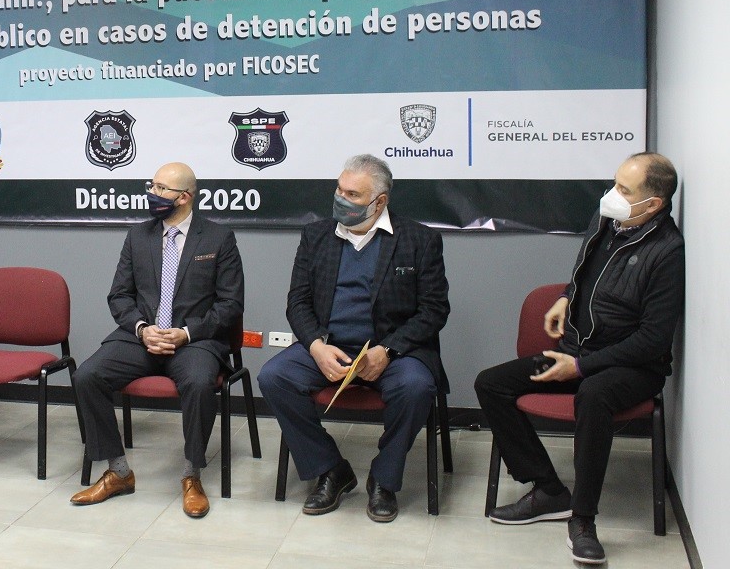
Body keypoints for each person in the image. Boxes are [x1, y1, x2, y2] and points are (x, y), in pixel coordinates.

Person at [475, 152, 683, 566]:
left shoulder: (667, 251)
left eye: (624, 190)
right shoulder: (609, 218)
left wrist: (581, 367)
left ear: (654, 204)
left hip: (631, 368)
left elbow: (653, 340)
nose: (612, 195)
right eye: (615, 183)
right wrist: (565, 297)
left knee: (593, 393)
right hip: (576, 350)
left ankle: (583, 520)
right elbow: (584, 268)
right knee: (491, 383)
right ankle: (549, 490)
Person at [258, 154, 450, 523]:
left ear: (380, 201)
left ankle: (384, 478)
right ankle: (331, 469)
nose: (341, 199)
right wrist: (316, 347)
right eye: (339, 189)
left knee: (416, 388)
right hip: (329, 346)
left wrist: (387, 351)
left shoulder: (419, 240)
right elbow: (298, 301)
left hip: (392, 351)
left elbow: (434, 310)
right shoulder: (316, 236)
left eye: (353, 194)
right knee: (274, 377)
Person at [70, 162, 245, 518]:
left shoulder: (218, 238)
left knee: (199, 383)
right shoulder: (138, 236)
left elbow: (230, 304)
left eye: (162, 188)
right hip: (142, 337)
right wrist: (142, 329)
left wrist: (186, 333)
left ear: (185, 197)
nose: (153, 193)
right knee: (87, 375)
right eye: (153, 185)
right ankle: (119, 472)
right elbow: (119, 295)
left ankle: (191, 475)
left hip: (194, 340)